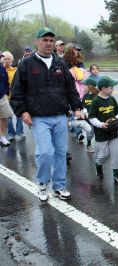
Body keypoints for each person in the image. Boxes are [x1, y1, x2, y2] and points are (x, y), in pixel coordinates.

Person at [10, 27, 84, 202]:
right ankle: (43, 183)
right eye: (45, 40)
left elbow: (70, 89)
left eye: (51, 40)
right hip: (38, 117)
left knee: (60, 152)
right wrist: (22, 112)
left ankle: (59, 185)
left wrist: (77, 107)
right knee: (45, 152)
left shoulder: (60, 64)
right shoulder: (26, 64)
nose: (49, 43)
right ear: (38, 42)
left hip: (60, 115)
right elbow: (17, 91)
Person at [88, 76, 118, 184]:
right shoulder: (96, 101)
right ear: (103, 88)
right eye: (111, 87)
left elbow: (117, 112)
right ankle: (98, 165)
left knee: (114, 153)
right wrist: (101, 124)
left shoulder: (112, 99)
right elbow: (91, 117)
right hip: (101, 133)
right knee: (104, 154)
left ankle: (116, 174)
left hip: (113, 132)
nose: (113, 90)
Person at [2, 51, 25, 141]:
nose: (7, 61)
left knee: (19, 116)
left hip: (16, 97)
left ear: (11, 60)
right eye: (5, 59)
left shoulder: (16, 70)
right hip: (6, 98)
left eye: (8, 59)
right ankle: (11, 134)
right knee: (8, 118)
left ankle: (20, 132)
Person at [82, 77, 98, 152]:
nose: (84, 87)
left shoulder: (97, 96)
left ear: (90, 86)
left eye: (85, 85)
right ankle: (89, 144)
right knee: (90, 133)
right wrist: (85, 111)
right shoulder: (85, 96)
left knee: (99, 131)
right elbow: (83, 105)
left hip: (97, 117)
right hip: (88, 118)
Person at [0, 53, 13, 147]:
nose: (2, 58)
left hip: (2, 96)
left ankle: (2, 136)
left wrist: (6, 93)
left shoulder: (2, 68)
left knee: (3, 117)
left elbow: (6, 82)